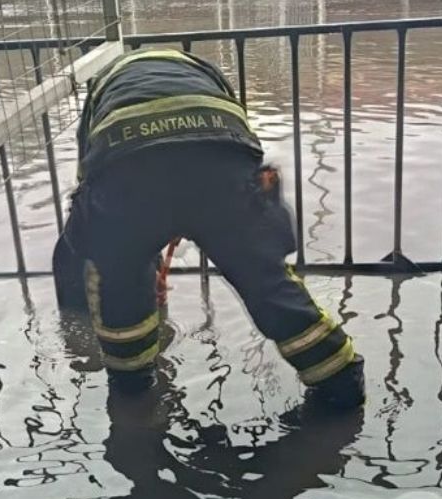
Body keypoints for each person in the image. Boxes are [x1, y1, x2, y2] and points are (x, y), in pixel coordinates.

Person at [54, 48, 365, 409]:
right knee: (266, 279)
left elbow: (95, 188)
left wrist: (137, 248)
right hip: (220, 159)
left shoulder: (102, 88)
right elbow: (237, 148)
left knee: (118, 280)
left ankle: (133, 392)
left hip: (127, 167)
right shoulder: (208, 75)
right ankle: (340, 381)